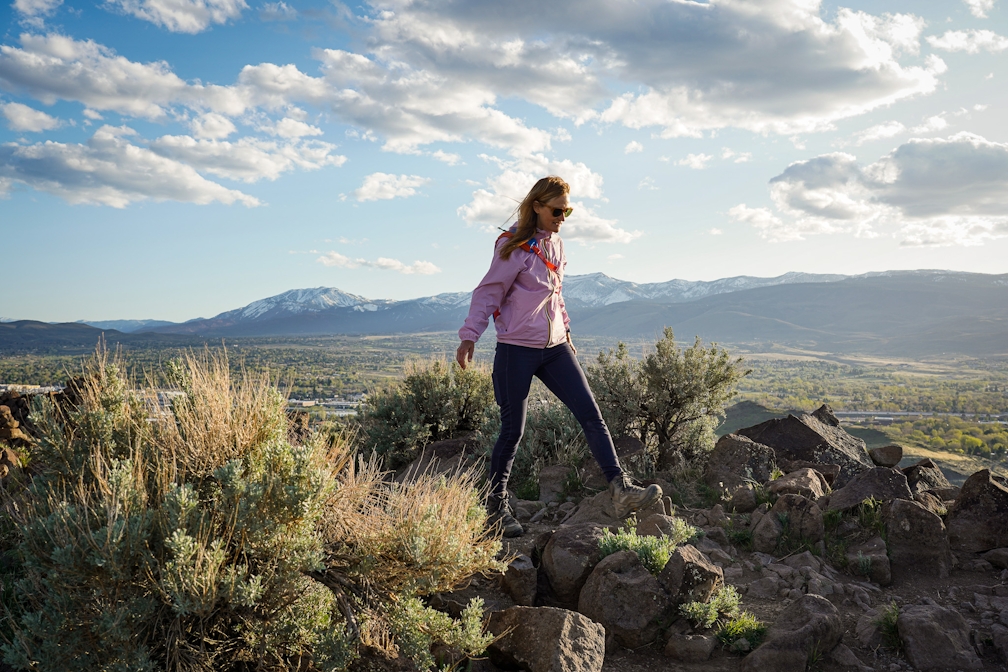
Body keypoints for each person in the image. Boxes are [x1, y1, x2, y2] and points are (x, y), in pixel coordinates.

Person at [457, 175, 661, 537]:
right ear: (536, 206)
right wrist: (470, 336)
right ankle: (495, 508)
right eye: (556, 209)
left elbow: (556, 294)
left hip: (554, 349)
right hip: (516, 350)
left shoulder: (558, 247)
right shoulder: (512, 246)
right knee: (511, 431)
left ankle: (620, 490)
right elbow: (488, 292)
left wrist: (565, 331)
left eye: (567, 210)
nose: (562, 216)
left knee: (590, 414)